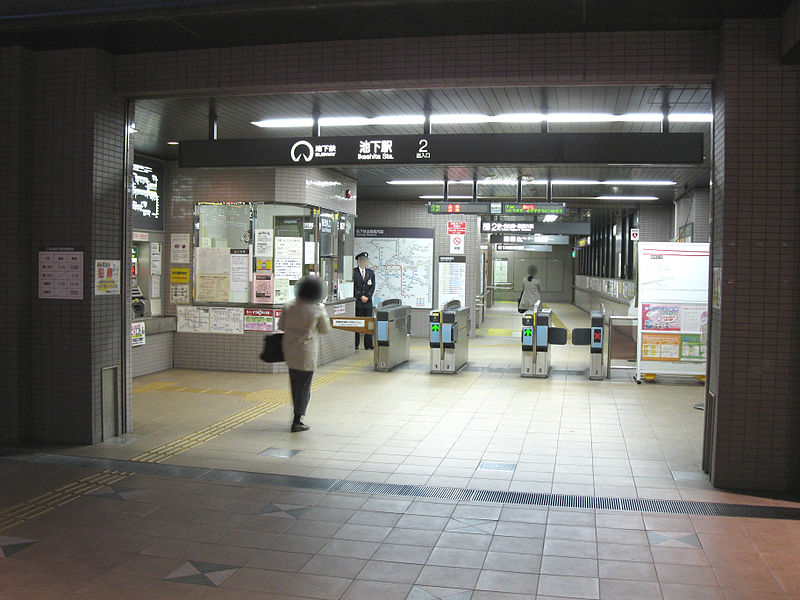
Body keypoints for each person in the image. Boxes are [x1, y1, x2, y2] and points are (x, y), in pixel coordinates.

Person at [278, 275, 331, 432]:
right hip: (306, 353)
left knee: (294, 385)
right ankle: (297, 419)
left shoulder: (289, 305)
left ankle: (296, 415)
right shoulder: (317, 308)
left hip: (290, 350)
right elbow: (325, 329)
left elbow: (281, 325)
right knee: (304, 387)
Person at [353, 251, 375, 349]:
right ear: (358, 262)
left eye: (365, 260)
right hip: (358, 302)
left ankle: (368, 344)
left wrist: (368, 296)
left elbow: (372, 286)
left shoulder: (371, 273)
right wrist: (360, 296)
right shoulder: (354, 272)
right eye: (361, 260)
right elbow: (353, 286)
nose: (364, 262)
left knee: (369, 324)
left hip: (368, 303)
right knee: (357, 323)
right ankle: (356, 344)